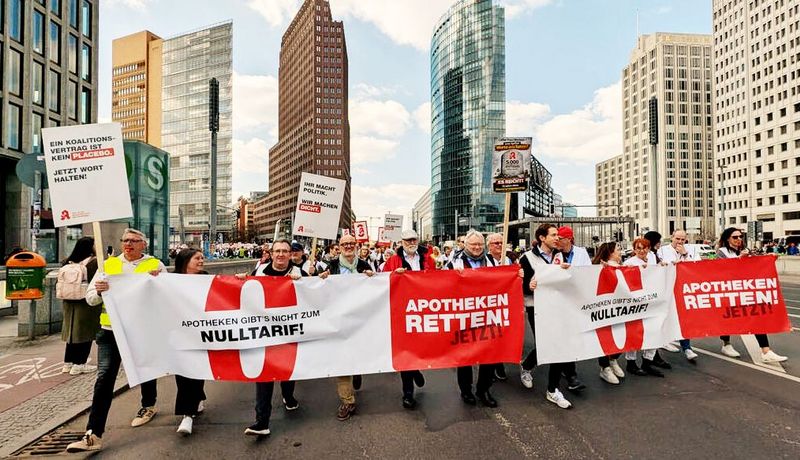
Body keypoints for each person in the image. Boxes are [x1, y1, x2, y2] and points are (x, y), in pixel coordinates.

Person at [67, 228, 167, 453]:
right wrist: (100, 291)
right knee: (104, 379)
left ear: (144, 245)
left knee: (145, 369)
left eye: (134, 240)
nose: (128, 244)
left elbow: (166, 296)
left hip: (141, 330)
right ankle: (93, 434)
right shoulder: (108, 265)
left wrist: (157, 284)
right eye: (125, 240)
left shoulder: (155, 266)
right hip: (110, 331)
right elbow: (90, 298)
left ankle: (148, 405)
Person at [235, 239, 305, 436]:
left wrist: (307, 282)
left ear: (291, 254)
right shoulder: (260, 272)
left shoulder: (300, 274)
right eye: (277, 251)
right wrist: (240, 280)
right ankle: (262, 421)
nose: (281, 254)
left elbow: (316, 294)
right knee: (264, 375)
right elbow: (247, 293)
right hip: (265, 333)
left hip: (290, 333)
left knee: (286, 372)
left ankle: (288, 396)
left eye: (285, 251)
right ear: (271, 254)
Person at [319, 234, 375, 421]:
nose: (349, 246)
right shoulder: (332, 267)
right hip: (339, 321)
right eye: (345, 244)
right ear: (340, 247)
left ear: (356, 246)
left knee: (357, 355)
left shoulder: (365, 266)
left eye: (352, 243)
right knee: (342, 361)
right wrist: (321, 278)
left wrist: (372, 278)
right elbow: (319, 290)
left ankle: (357, 369)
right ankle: (347, 401)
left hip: (361, 320)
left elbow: (376, 290)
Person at [446, 230, 503, 407]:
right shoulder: (453, 263)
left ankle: (483, 389)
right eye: (473, 245)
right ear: (466, 245)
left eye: (480, 244)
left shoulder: (494, 261)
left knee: (489, 354)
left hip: (488, 315)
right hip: (464, 316)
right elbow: (442, 287)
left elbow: (505, 281)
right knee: (465, 356)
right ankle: (466, 390)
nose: (477, 247)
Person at [519, 224, 573, 409]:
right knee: (544, 345)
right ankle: (526, 366)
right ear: (542, 238)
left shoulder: (560, 256)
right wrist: (529, 286)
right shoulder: (527, 258)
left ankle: (553, 389)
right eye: (553, 235)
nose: (557, 238)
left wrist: (568, 272)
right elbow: (522, 286)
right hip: (537, 308)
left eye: (558, 235)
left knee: (557, 345)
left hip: (558, 307)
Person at [716, 228, 788, 363]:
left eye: (740, 237)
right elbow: (722, 269)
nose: (738, 240)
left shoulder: (746, 250)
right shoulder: (722, 252)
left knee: (756, 318)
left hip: (746, 291)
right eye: (735, 237)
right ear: (727, 239)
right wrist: (739, 259)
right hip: (730, 291)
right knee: (729, 317)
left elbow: (756, 265)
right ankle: (726, 344)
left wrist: (769, 259)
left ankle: (766, 351)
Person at [382, 229, 433, 409]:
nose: (411, 243)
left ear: (418, 240)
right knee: (405, 351)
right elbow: (382, 282)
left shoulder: (428, 259)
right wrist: (393, 275)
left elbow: (436, 280)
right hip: (402, 311)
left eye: (413, 239)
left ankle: (416, 370)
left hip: (423, 310)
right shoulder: (393, 260)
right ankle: (408, 392)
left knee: (419, 348)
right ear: (402, 242)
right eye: (407, 240)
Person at [172, 249, 208, 436]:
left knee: (195, 370)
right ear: (185, 261)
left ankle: (188, 414)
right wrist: (152, 278)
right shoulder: (170, 280)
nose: (201, 261)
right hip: (179, 333)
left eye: (202, 258)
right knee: (183, 372)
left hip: (200, 333)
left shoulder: (207, 278)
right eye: (197, 258)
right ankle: (195, 401)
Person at [619, 239, 667, 377]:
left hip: (652, 301)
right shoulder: (630, 263)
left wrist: (661, 267)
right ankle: (631, 363)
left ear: (649, 248)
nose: (641, 251)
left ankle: (648, 362)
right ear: (634, 249)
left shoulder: (652, 259)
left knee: (654, 332)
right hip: (636, 303)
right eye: (638, 248)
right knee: (635, 333)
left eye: (644, 248)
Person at [554, 226, 590, 390]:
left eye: (560, 238)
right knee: (559, 338)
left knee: (572, 337)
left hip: (576, 301)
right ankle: (570, 374)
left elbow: (587, 273)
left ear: (568, 239)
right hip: (558, 302)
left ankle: (569, 372)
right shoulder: (554, 254)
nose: (557, 240)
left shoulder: (581, 253)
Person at [59, 237, 100, 375]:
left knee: (71, 333)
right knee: (84, 332)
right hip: (84, 301)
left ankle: (68, 363)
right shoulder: (93, 262)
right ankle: (79, 364)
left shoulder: (67, 261)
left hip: (68, 301)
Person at [657, 230, 699, 362]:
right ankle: (664, 340)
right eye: (677, 239)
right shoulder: (663, 251)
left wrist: (684, 254)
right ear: (672, 238)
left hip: (683, 288)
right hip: (668, 289)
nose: (680, 242)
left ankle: (687, 348)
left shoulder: (690, 249)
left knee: (683, 318)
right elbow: (659, 266)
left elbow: (696, 266)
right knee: (666, 316)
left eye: (683, 239)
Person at [591, 242, 627, 384]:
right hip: (606, 308)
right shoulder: (601, 267)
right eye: (618, 249)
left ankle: (613, 360)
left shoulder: (623, 267)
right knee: (605, 337)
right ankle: (604, 367)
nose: (621, 251)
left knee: (625, 335)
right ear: (610, 252)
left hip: (622, 309)